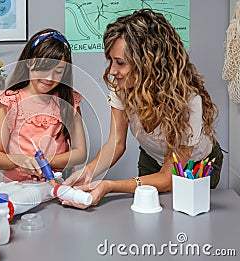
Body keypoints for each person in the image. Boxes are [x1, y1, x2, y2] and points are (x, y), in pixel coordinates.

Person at [63, 9, 223, 208]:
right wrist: (88, 172)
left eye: (120, 62)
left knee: (186, 219)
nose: (112, 71)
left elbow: (166, 177)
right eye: (111, 61)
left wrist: (109, 186)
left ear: (147, 64)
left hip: (195, 167)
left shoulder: (188, 102)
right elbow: (116, 143)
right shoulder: (123, 88)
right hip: (151, 158)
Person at [0, 28, 87, 182]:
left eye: (58, 71)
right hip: (17, 187)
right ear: (28, 62)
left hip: (59, 184)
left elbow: (80, 153)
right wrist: (20, 161)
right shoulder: (10, 101)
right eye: (44, 67)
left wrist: (46, 161)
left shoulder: (69, 101)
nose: (49, 77)